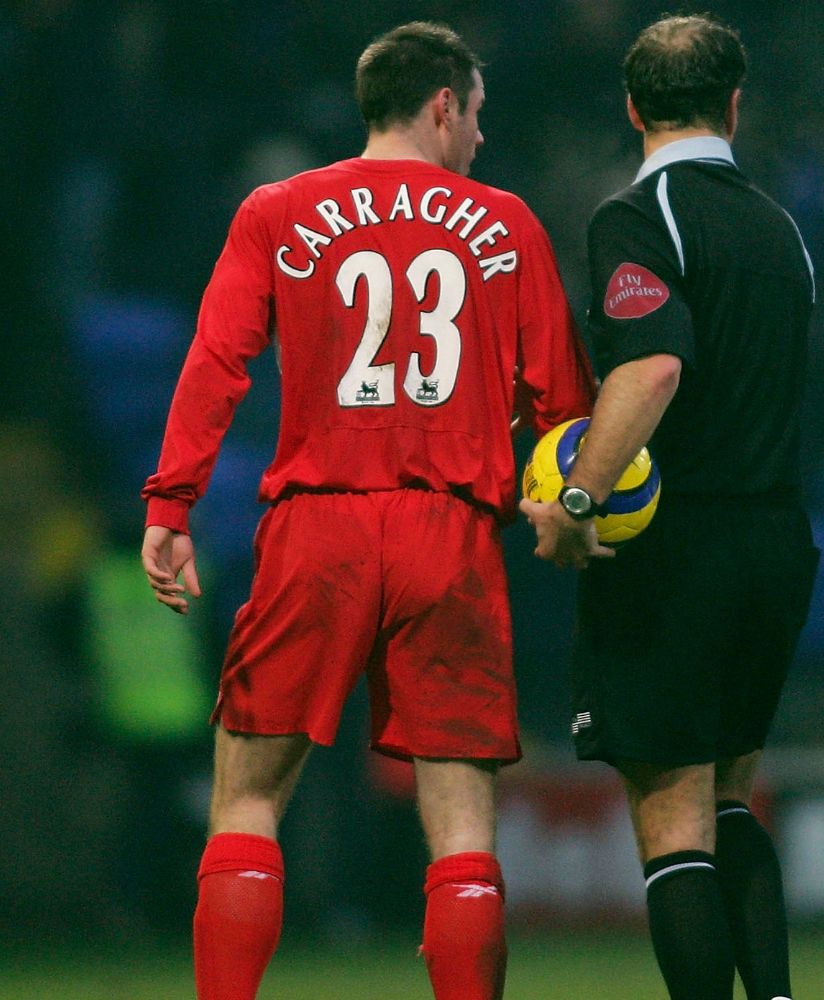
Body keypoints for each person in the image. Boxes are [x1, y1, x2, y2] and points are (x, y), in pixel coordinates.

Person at [140, 22, 595, 1000]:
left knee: (249, 800)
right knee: (464, 826)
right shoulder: (507, 224)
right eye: (475, 114)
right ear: (442, 104)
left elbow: (217, 362)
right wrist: (567, 502)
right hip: (454, 531)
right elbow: (563, 405)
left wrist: (172, 500)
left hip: (319, 521)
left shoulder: (278, 210)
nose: (479, 135)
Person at [522, 14, 818, 1000]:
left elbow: (651, 366)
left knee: (673, 815)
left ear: (632, 107)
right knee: (735, 796)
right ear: (735, 106)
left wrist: (576, 497)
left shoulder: (639, 219)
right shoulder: (784, 231)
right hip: (776, 539)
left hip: (678, 542)